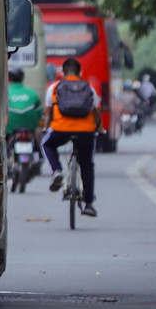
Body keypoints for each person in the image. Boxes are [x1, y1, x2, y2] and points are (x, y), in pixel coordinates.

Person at [42, 57, 102, 217]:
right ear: (80, 72)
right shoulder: (89, 88)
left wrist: (46, 128)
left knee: (46, 144)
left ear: (62, 73)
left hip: (60, 130)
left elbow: (48, 113)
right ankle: (89, 204)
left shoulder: (54, 88)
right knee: (87, 164)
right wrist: (99, 129)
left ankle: (56, 171)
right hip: (86, 131)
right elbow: (96, 112)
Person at [6, 67, 43, 138]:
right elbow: (39, 112)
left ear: (9, 79)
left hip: (10, 129)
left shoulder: (6, 92)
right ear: (23, 78)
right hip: (30, 127)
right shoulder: (32, 92)